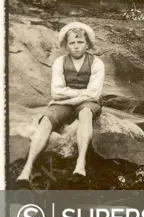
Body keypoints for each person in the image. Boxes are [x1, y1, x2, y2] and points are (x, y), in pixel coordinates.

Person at [15, 22, 105, 188]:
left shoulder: (96, 63)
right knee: (47, 120)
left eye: (80, 42)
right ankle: (27, 169)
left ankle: (80, 162)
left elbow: (93, 94)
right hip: (63, 103)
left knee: (85, 113)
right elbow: (56, 92)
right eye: (72, 43)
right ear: (66, 45)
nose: (76, 47)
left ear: (87, 44)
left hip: (87, 103)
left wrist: (67, 96)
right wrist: (76, 95)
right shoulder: (59, 62)